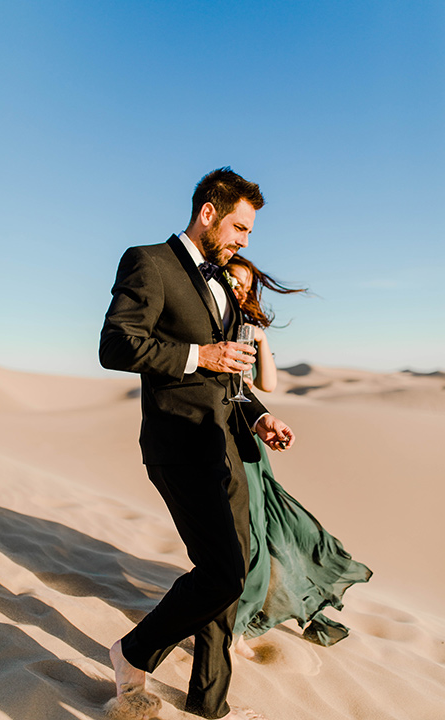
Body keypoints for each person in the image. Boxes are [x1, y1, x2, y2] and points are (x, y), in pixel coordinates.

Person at [99, 168, 296, 720]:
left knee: (229, 577)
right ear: (208, 212)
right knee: (223, 572)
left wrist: (258, 417)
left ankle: (210, 704)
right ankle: (132, 652)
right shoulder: (149, 262)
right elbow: (116, 344)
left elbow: (228, 379)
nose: (245, 240)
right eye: (239, 226)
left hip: (227, 443)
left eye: (251, 232)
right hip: (177, 444)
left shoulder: (223, 285)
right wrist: (198, 356)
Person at [224, 255, 372, 660]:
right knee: (249, 535)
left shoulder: (242, 327)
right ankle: (233, 628)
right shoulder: (213, 322)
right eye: (232, 282)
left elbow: (265, 384)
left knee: (272, 528)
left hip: (248, 439)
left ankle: (243, 620)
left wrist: (260, 337)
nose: (239, 290)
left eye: (245, 285)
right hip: (224, 438)